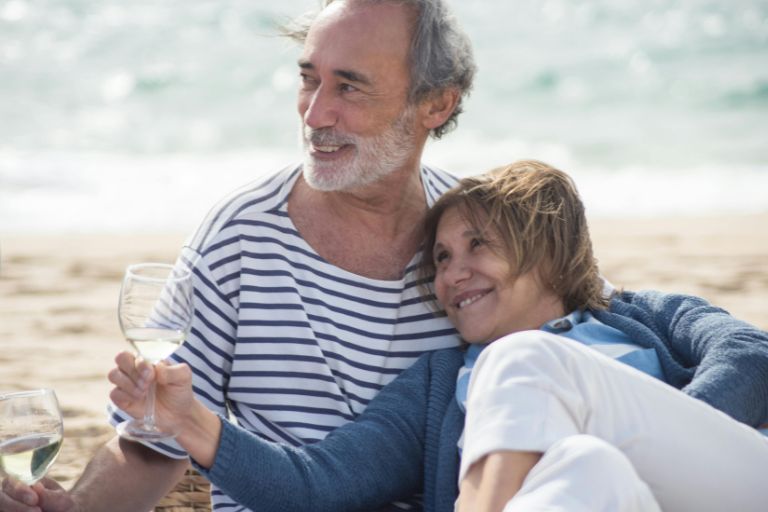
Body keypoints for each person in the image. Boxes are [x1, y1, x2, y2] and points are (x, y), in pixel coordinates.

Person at [0, 1, 475, 511]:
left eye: (349, 87)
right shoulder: (240, 236)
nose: (314, 114)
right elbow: (154, 443)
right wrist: (76, 507)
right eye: (309, 79)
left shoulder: (478, 242)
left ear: (435, 105)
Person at [106, 160, 768, 511]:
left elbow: (750, 353)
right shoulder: (436, 389)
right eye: (442, 259)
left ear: (544, 252)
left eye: (478, 245)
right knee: (585, 468)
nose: (455, 274)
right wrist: (193, 422)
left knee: (522, 360)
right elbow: (315, 485)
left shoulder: (641, 314)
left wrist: (666, 434)